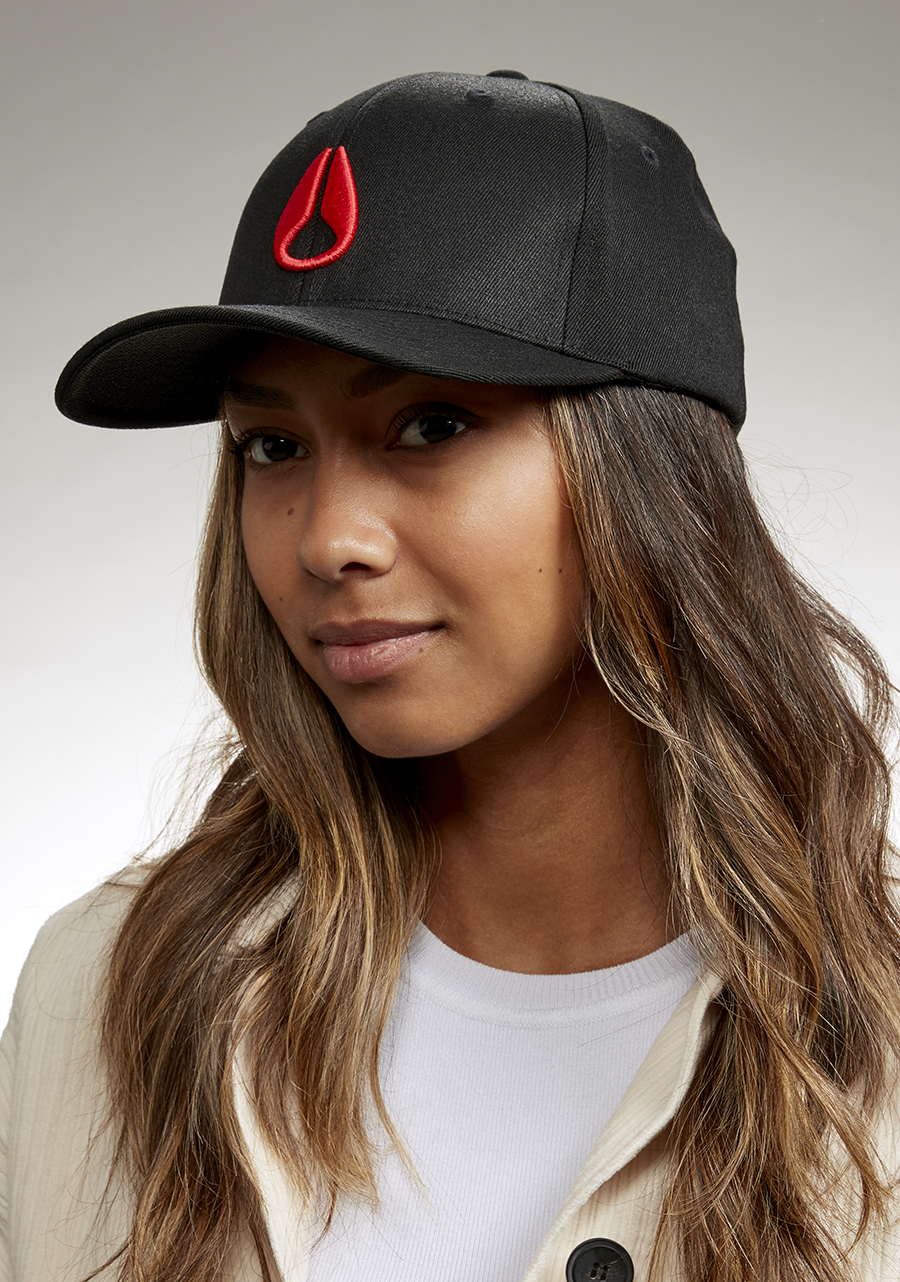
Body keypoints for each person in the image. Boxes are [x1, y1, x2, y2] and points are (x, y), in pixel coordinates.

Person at [2, 69, 899, 1282]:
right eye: (272, 445)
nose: (328, 538)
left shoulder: (877, 1048)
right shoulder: (104, 993)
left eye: (430, 425)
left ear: (644, 471)